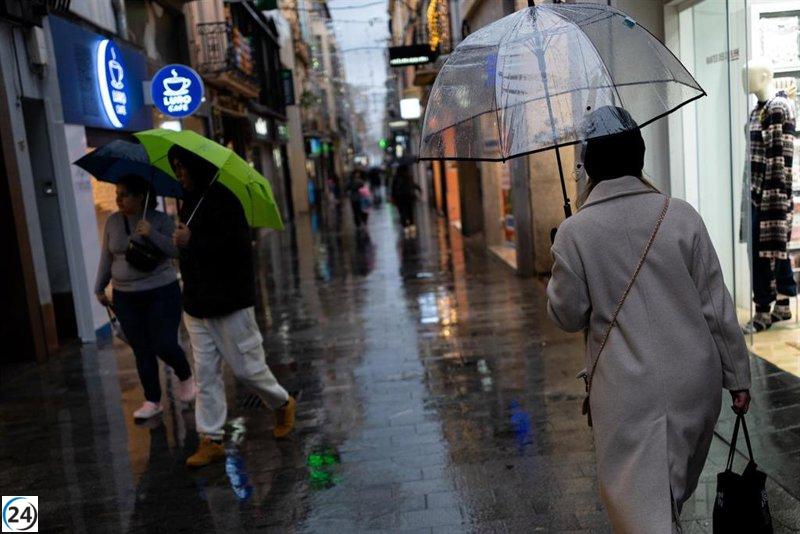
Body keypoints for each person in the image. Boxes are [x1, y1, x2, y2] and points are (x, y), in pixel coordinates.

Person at [546, 107, 752, 533]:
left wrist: (562, 258)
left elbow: (568, 315)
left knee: (643, 510)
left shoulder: (575, 233)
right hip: (695, 383)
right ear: (639, 157)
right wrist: (738, 377)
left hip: (626, 393)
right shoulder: (681, 215)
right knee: (667, 496)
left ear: (590, 165)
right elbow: (715, 304)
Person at [168, 146, 296, 468]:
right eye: (175, 167)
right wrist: (180, 246)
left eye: (183, 167)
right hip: (196, 304)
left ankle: (281, 403)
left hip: (229, 302)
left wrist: (192, 242)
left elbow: (235, 252)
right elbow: (191, 252)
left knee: (247, 369)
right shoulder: (188, 202)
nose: (179, 174)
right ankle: (210, 438)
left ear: (197, 167)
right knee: (205, 374)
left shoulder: (226, 202)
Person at [95, 175, 195, 420]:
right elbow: (107, 256)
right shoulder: (113, 222)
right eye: (117, 194)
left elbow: (176, 252)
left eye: (124, 195)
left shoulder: (160, 220)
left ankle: (185, 375)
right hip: (125, 296)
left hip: (161, 292)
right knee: (141, 349)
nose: (119, 199)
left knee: (164, 343)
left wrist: (151, 234)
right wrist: (100, 287)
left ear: (140, 197)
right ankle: (152, 400)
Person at [391, 165, 421, 238]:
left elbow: (393, 189)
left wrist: (393, 197)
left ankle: (405, 227)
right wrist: (418, 188)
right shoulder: (408, 176)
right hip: (408, 197)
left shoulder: (395, 178)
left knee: (402, 212)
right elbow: (412, 184)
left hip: (399, 198)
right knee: (410, 211)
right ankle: (412, 225)